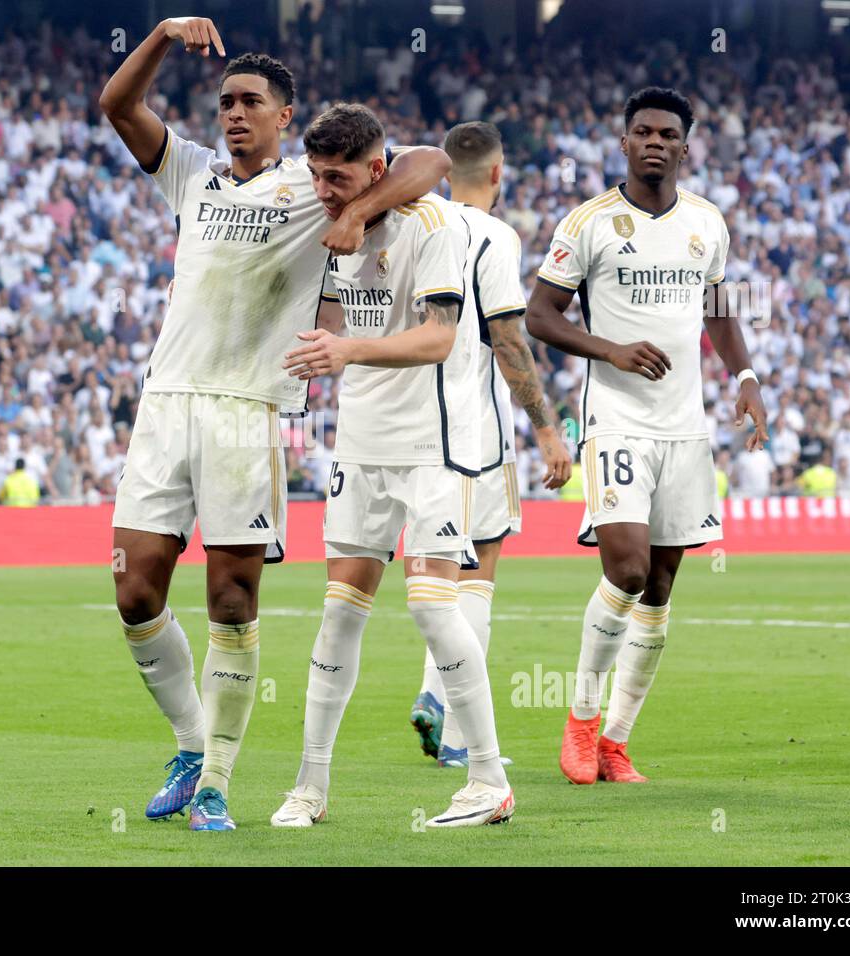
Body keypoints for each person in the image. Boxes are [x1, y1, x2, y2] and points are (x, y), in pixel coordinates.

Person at [98, 16, 450, 830]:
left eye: (251, 101)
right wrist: (158, 34)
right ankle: (192, 743)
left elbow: (431, 162)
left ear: (284, 117)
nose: (232, 114)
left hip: (245, 411)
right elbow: (117, 104)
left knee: (230, 597)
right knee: (135, 590)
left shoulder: (312, 183)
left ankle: (217, 782)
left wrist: (358, 213)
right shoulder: (191, 175)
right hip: (166, 403)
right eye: (224, 101)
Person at [270, 103, 511, 829]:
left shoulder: (433, 228)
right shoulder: (335, 232)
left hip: (432, 442)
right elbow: (351, 318)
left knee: (432, 607)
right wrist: (316, 343)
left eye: (337, 178)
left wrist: (341, 352)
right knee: (339, 615)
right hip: (362, 442)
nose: (324, 190)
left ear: (376, 171)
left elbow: (439, 339)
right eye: (315, 176)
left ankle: (488, 780)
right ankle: (309, 787)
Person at [525, 87, 768, 785]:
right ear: (624, 142)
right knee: (626, 570)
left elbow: (718, 310)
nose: (654, 141)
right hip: (616, 422)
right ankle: (580, 720)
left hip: (685, 429)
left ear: (686, 146)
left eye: (667, 133)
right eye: (642, 131)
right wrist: (612, 350)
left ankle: (617, 741)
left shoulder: (706, 222)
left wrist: (746, 376)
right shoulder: (590, 222)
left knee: (660, 587)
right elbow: (540, 316)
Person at [410, 121, 572, 768]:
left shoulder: (417, 222)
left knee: (432, 580)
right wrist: (546, 427)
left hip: (410, 428)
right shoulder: (495, 236)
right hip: (474, 429)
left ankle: (434, 698)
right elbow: (508, 340)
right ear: (499, 175)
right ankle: (453, 730)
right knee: (476, 576)